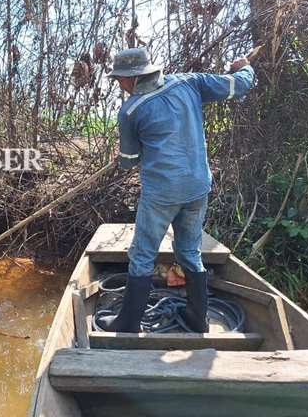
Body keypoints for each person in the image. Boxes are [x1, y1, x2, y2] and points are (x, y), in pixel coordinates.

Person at [96, 48, 255, 333]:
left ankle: (129, 322)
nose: (118, 83)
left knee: (143, 254)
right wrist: (244, 67)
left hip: (161, 194)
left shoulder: (131, 110)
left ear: (131, 78)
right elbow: (239, 84)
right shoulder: (190, 83)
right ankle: (198, 319)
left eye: (118, 78)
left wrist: (122, 157)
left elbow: (128, 162)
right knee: (189, 251)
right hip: (197, 187)